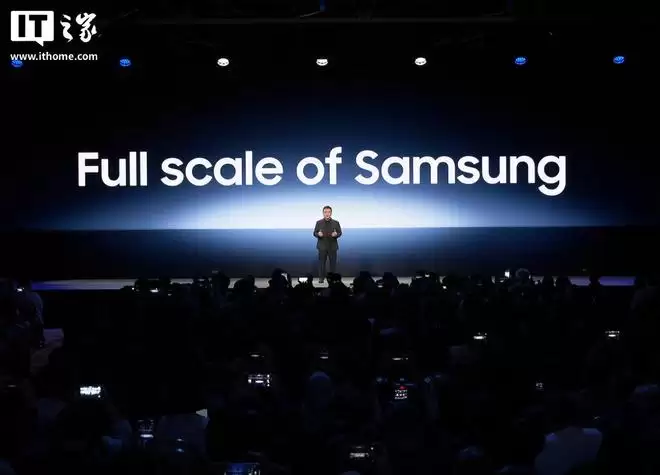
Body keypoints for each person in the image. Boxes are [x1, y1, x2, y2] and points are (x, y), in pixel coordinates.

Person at [313, 206, 342, 283]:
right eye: (325, 212)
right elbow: (314, 233)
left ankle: (332, 279)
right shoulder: (318, 222)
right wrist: (318, 234)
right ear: (323, 213)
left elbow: (340, 232)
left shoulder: (336, 222)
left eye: (329, 212)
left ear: (331, 213)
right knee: (321, 263)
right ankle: (321, 278)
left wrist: (336, 234)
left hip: (332, 247)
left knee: (333, 264)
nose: (327, 214)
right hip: (322, 246)